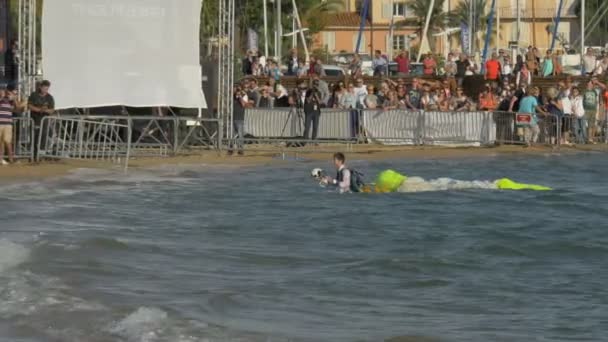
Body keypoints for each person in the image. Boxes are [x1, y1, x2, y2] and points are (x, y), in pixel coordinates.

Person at [28, 80, 55, 160]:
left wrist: (45, 110)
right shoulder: (34, 95)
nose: (45, 90)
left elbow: (52, 110)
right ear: (40, 87)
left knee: (43, 139)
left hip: (45, 122)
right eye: (44, 88)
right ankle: (33, 156)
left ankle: (40, 156)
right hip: (34, 121)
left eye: (47, 89)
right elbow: (29, 106)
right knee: (34, 139)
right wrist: (40, 110)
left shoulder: (49, 97)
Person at [0, 88, 15, 165]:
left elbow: (13, 109)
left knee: (8, 142)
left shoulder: (9, 101)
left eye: (3, 91)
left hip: (8, 124)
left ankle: (11, 159)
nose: (2, 92)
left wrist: (12, 98)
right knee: (1, 143)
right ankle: (1, 159)